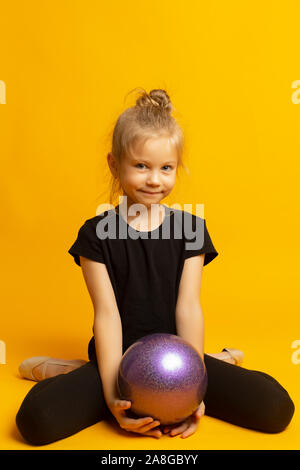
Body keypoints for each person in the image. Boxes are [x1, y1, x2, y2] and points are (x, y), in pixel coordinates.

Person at [15, 88, 295, 446]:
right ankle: (67, 369)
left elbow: (189, 307)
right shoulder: (96, 235)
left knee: (275, 408)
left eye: (166, 168)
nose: (154, 180)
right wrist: (113, 396)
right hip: (119, 359)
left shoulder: (191, 229)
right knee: (36, 422)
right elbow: (107, 316)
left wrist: (193, 392)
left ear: (177, 168)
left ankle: (211, 358)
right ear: (114, 164)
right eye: (141, 166)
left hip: (178, 360)